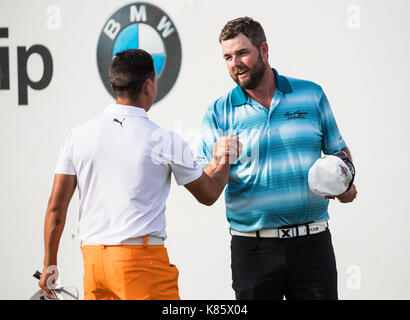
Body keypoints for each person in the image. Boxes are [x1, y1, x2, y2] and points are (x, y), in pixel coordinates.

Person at [38, 49, 241, 300]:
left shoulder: (78, 135)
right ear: (148, 86)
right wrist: (225, 160)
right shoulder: (164, 140)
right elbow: (208, 193)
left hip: (93, 263)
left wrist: (49, 264)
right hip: (141, 264)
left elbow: (56, 208)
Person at [197, 17, 357, 300]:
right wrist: (218, 160)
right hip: (252, 249)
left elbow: (339, 152)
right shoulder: (218, 112)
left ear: (264, 50)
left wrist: (345, 183)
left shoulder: (310, 94)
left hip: (312, 244)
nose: (235, 63)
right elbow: (205, 181)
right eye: (227, 57)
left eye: (242, 53)